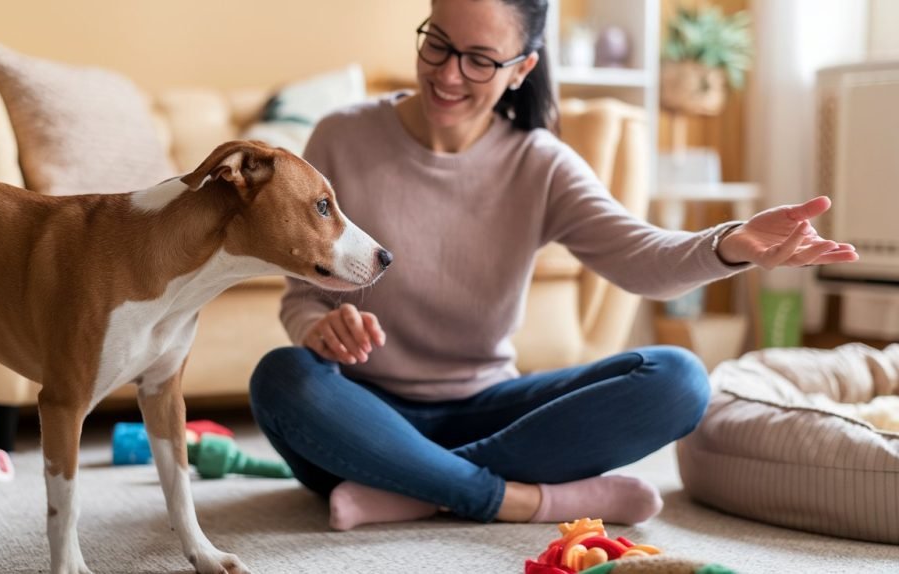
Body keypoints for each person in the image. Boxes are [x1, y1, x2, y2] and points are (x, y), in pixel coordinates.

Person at [249, 0, 859, 532]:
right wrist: (316, 330)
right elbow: (303, 294)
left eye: (480, 59)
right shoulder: (340, 137)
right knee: (281, 379)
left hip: (489, 408)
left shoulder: (540, 164)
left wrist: (731, 244)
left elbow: (640, 258)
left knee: (679, 379)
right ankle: (513, 499)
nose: (448, 72)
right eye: (437, 42)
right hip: (362, 414)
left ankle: (413, 489)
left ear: (522, 69)